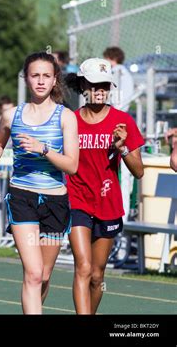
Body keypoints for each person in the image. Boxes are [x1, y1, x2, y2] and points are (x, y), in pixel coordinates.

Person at [0, 52, 79, 314]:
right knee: (34, 273)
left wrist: (43, 149)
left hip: (54, 202)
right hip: (22, 197)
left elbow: (72, 166)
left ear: (54, 79)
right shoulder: (11, 115)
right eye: (34, 75)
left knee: (45, 276)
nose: (40, 81)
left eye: (46, 76)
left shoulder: (65, 117)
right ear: (25, 78)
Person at [65, 58, 144, 314]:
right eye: (94, 84)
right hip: (76, 200)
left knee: (97, 276)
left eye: (105, 85)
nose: (100, 90)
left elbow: (139, 171)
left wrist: (122, 148)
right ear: (83, 86)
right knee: (83, 267)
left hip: (108, 203)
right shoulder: (70, 121)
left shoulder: (123, 122)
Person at [104, 47, 136, 222]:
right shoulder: (123, 73)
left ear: (112, 58)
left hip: (118, 127)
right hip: (118, 126)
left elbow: (118, 102)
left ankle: (120, 219)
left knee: (121, 175)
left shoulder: (118, 73)